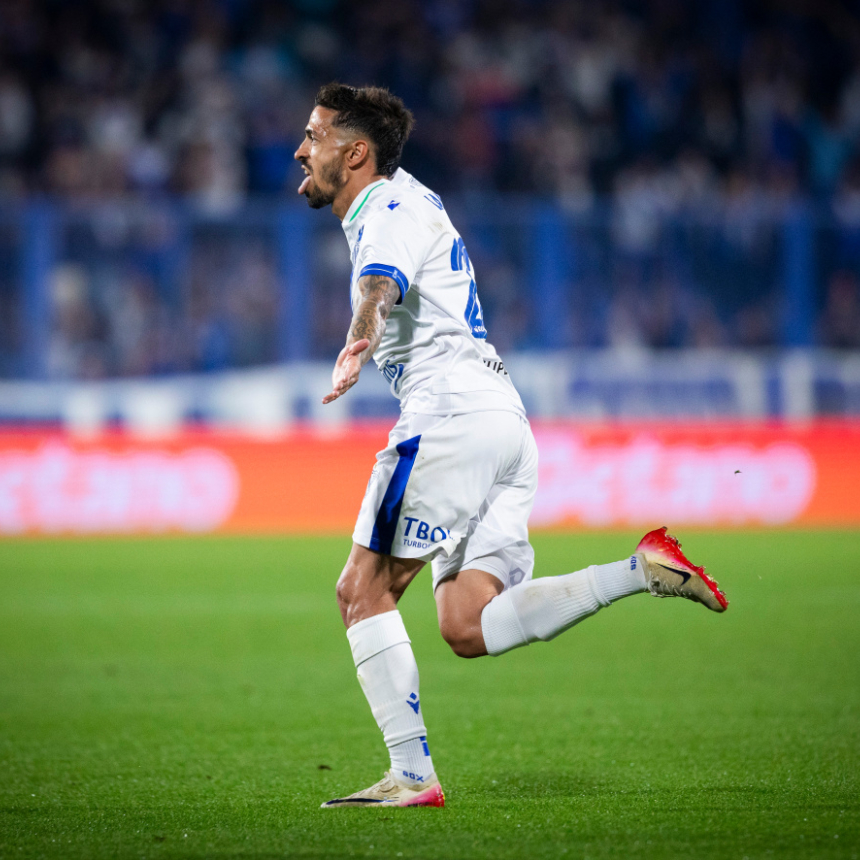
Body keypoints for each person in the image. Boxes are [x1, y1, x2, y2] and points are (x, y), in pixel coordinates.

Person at [294, 83, 729, 809]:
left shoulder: (386, 210)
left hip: (450, 417)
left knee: (360, 591)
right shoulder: (411, 199)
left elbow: (378, 287)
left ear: (357, 152)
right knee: (466, 624)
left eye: (314, 136)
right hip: (500, 420)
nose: (300, 150)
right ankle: (638, 570)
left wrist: (357, 341)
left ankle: (411, 775)